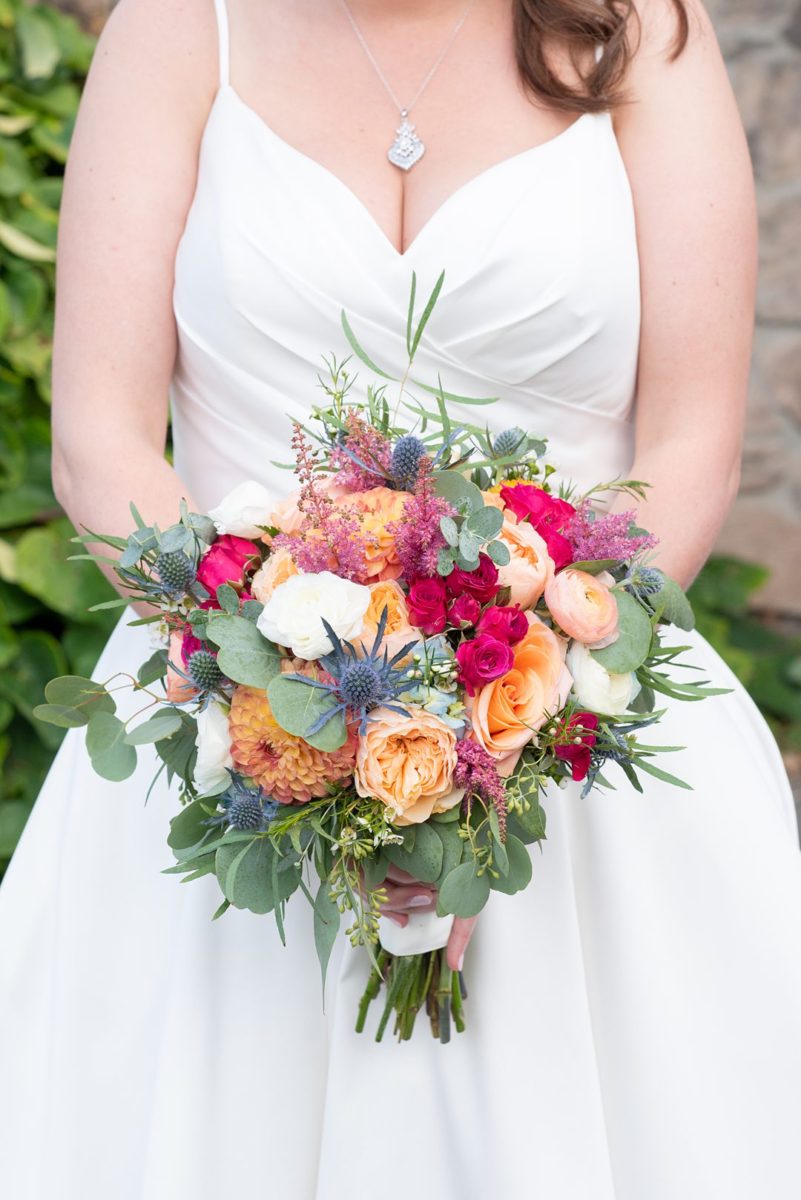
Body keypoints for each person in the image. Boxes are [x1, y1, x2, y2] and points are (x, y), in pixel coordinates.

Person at [1, 0, 800, 1195]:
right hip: (235, 726)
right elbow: (101, 444)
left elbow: (691, 445)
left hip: (571, 736)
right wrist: (273, 681)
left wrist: (512, 708)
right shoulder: (179, 27)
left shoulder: (637, 32)